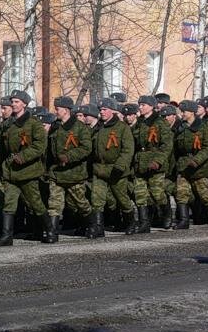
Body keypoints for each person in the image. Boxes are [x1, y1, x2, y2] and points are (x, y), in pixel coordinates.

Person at [0, 90, 48, 246]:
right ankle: (6, 236)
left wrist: (23, 156)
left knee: (35, 203)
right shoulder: (8, 124)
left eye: (17, 102)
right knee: (9, 202)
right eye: (12, 101)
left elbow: (39, 145)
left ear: (24, 104)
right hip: (11, 171)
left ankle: (49, 230)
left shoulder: (33, 124)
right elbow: (2, 148)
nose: (13, 104)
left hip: (28, 171)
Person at [46, 97, 93, 242]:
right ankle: (52, 233)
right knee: (54, 203)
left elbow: (86, 148)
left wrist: (69, 156)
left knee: (81, 203)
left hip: (74, 173)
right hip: (56, 173)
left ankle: (92, 225)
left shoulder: (80, 127)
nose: (56, 111)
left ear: (66, 110)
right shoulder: (55, 126)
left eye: (58, 109)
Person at [90, 98, 136, 236]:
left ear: (112, 111)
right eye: (100, 110)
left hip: (116, 169)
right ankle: (98, 228)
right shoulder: (99, 127)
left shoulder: (122, 128)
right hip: (99, 168)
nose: (102, 112)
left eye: (104, 109)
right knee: (96, 199)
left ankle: (130, 223)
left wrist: (120, 167)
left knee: (122, 198)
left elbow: (128, 149)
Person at [130, 96, 173, 232]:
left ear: (151, 106)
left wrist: (158, 161)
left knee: (157, 192)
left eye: (143, 105)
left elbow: (166, 145)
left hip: (155, 162)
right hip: (140, 162)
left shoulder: (160, 123)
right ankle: (144, 223)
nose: (140, 107)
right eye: (140, 105)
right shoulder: (139, 122)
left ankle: (167, 215)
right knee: (140, 193)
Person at [172, 100, 208, 230]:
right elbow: (176, 148)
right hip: (184, 166)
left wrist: (197, 160)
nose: (182, 114)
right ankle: (184, 221)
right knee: (181, 192)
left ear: (191, 112)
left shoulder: (203, 127)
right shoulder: (181, 127)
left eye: (184, 111)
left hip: (199, 166)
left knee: (204, 194)